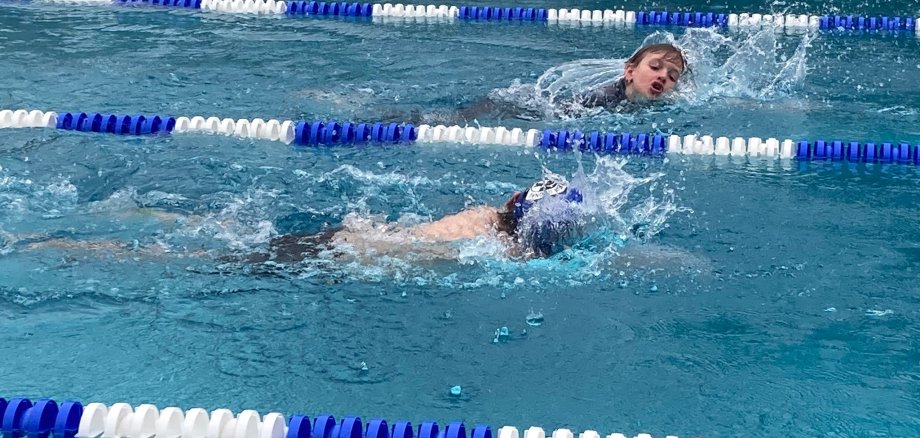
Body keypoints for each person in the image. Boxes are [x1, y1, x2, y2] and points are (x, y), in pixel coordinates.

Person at [13, 174, 588, 264]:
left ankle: (140, 213)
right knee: (195, 260)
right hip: (334, 257)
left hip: (345, 240)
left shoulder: (485, 215)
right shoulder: (508, 251)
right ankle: (53, 246)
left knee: (217, 235)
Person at [451, 43, 689, 123]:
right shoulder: (602, 98)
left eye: (672, 77)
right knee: (499, 105)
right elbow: (559, 115)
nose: (662, 76)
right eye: (655, 67)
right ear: (630, 71)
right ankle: (457, 117)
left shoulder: (664, 106)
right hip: (538, 110)